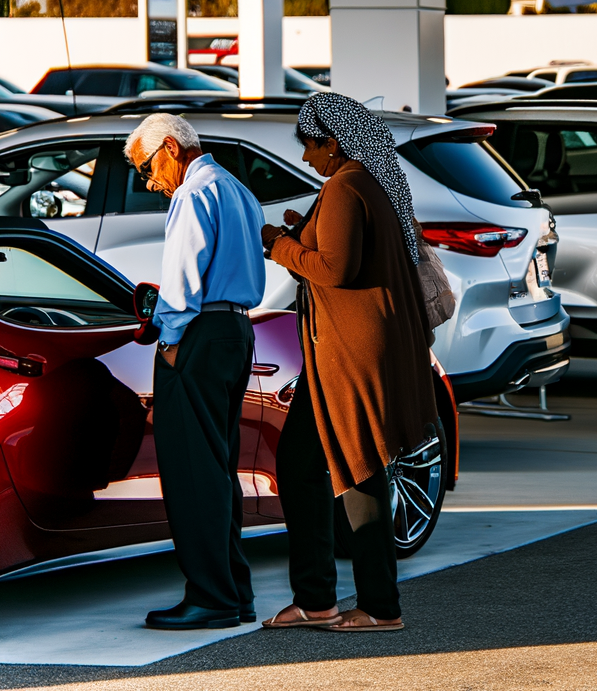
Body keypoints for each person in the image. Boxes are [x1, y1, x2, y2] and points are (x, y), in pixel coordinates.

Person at [260, 92, 438, 632]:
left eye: (309, 146)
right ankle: (316, 599)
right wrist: (301, 236)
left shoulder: (345, 186)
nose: (307, 157)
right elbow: (341, 260)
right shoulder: (361, 184)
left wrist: (278, 244)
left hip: (349, 353)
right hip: (339, 352)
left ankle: (381, 607)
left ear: (333, 142)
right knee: (302, 464)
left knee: (358, 468)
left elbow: (335, 269)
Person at [124, 114, 266, 630]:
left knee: (191, 473)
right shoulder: (237, 189)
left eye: (146, 166)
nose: (149, 181)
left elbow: (182, 280)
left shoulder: (192, 195)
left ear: (169, 147)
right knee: (219, 470)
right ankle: (234, 591)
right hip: (236, 332)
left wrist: (169, 342)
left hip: (199, 336)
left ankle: (211, 597)